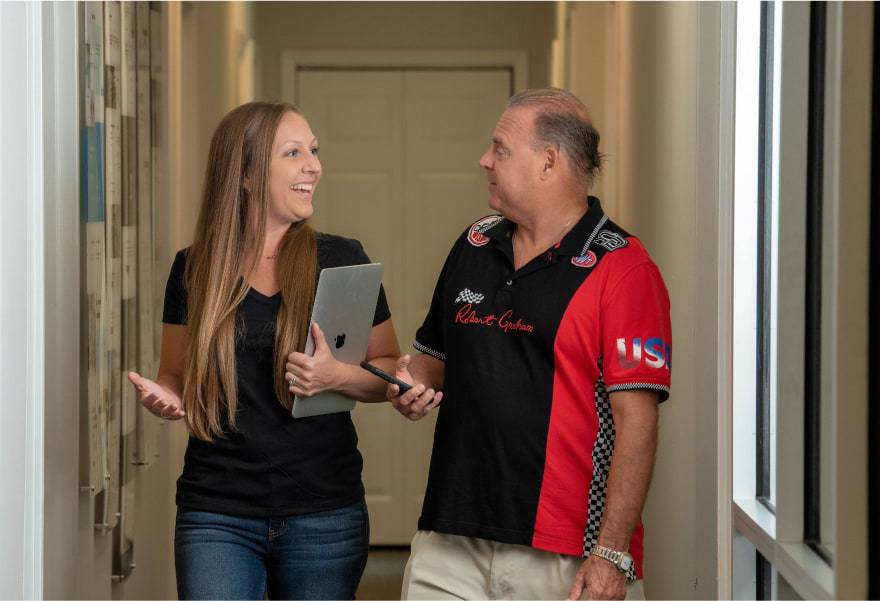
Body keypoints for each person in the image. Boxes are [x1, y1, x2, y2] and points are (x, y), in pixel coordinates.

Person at [387, 88, 672, 601]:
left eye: (500, 148)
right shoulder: (474, 243)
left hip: (565, 551)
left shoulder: (624, 268)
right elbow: (435, 358)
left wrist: (611, 553)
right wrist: (412, 384)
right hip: (450, 537)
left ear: (548, 161)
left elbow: (637, 423)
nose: (484, 159)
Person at [126, 101, 401, 600]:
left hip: (324, 512)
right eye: (293, 153)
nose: (313, 166)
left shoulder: (342, 259)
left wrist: (335, 377)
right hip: (216, 512)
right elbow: (175, 374)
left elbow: (387, 371)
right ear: (247, 174)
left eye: (314, 151)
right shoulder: (194, 268)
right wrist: (165, 396)